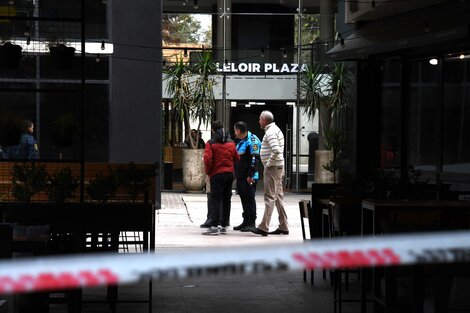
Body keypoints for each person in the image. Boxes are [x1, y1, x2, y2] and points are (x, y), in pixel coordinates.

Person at [251, 110, 289, 236]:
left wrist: (268, 165)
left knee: (270, 197)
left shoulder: (271, 131)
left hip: (273, 168)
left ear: (264, 120)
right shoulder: (274, 129)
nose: (259, 122)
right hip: (277, 167)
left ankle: (263, 227)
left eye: (260, 119)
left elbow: (277, 150)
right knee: (278, 197)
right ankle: (284, 226)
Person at [202, 120, 239, 235]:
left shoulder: (210, 143)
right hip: (229, 174)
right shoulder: (231, 142)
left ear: (213, 130)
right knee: (226, 199)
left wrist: (209, 172)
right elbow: (237, 158)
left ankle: (214, 226)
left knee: (215, 199)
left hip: (217, 174)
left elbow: (208, 159)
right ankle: (224, 224)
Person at [233, 121, 262, 232]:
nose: (234, 132)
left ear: (239, 131)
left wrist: (250, 175)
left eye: (235, 130)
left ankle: (251, 223)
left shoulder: (252, 141)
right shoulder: (241, 141)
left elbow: (254, 160)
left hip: (249, 176)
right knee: (244, 198)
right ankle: (245, 221)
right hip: (241, 176)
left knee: (249, 199)